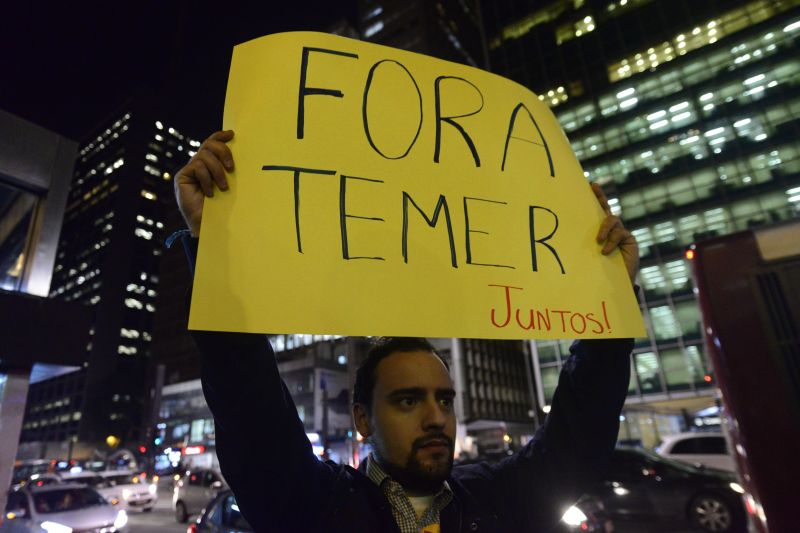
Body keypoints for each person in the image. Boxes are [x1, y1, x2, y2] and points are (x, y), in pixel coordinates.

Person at [173, 130, 639, 533]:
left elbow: (580, 436)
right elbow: (248, 406)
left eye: (445, 399)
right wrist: (210, 247)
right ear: (361, 419)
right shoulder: (314, 505)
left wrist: (610, 292)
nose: (437, 417)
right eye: (408, 400)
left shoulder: (497, 499)